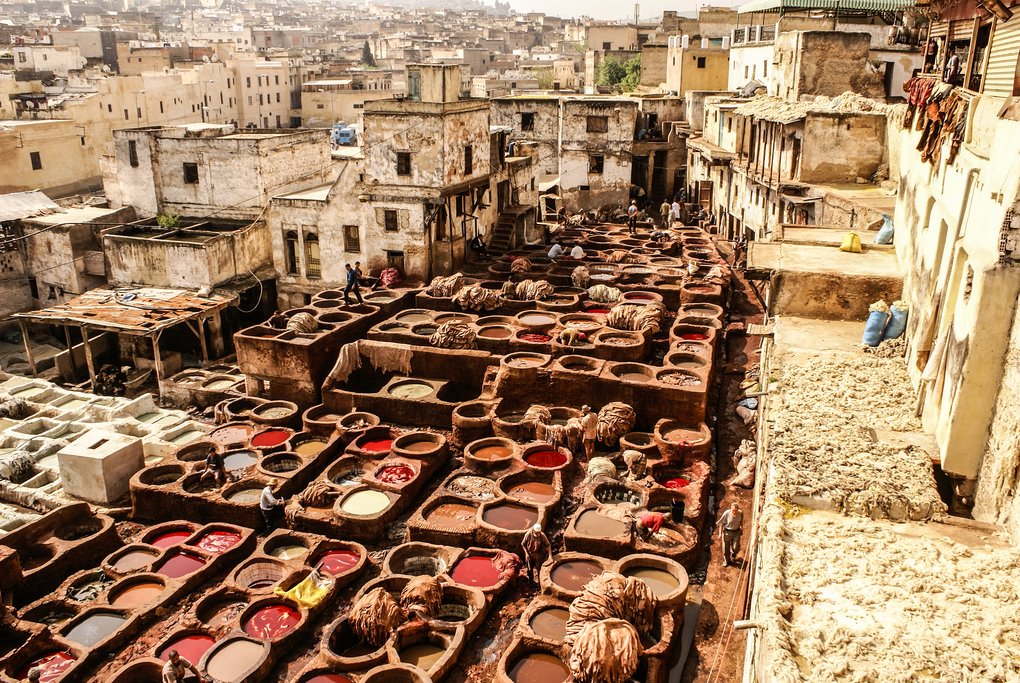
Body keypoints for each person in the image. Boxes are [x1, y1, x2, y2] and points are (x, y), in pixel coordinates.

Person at [718, 501, 744, 566]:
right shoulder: (727, 513)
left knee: (735, 548)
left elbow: (741, 522)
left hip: (736, 532)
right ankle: (726, 561)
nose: (734, 512)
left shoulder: (740, 513)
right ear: (731, 509)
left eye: (736, 510)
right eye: (733, 510)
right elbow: (721, 523)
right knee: (725, 549)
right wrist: (720, 533)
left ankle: (733, 553)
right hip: (727, 532)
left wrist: (741, 529)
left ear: (738, 510)